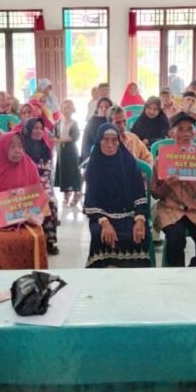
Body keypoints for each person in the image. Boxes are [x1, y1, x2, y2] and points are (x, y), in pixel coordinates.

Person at [152, 112, 196, 267]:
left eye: (189, 129)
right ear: (172, 133)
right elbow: (155, 194)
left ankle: (192, 272)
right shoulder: (163, 158)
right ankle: (177, 276)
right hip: (170, 209)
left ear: (195, 133)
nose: (186, 134)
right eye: (180, 129)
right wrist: (167, 186)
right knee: (175, 239)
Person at [0, 132, 49, 269]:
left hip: (26, 218)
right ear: (4, 148)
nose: (18, 150)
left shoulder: (29, 165)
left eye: (20, 146)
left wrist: (36, 204)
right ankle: (6, 275)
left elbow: (37, 195)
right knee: (4, 240)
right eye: (13, 147)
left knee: (37, 237)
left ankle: (32, 274)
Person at [84, 123, 152, 268]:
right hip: (102, 216)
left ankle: (134, 276)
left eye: (114, 140)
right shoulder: (94, 165)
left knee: (141, 233)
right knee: (98, 234)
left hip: (129, 214)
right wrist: (105, 223)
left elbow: (139, 193)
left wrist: (140, 220)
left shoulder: (129, 163)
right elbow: (90, 201)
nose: (110, 144)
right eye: (106, 140)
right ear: (99, 141)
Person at [23, 118, 60, 255]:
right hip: (23, 186)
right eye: (35, 128)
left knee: (50, 202)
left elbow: (46, 172)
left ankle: (49, 241)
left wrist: (40, 189)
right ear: (28, 130)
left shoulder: (46, 149)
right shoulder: (21, 148)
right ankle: (26, 239)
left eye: (40, 128)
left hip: (42, 184)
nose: (38, 131)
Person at [55, 99, 82, 206]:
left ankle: (76, 193)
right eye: (64, 108)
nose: (66, 110)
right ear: (61, 109)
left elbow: (75, 136)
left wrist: (62, 140)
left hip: (71, 151)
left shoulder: (74, 123)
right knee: (64, 171)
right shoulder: (58, 123)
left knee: (74, 171)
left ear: (72, 109)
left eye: (69, 108)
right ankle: (66, 194)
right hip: (61, 151)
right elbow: (55, 135)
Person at [81, 97, 113, 162]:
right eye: (101, 107)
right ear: (97, 109)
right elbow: (90, 141)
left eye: (107, 107)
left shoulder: (112, 121)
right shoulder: (92, 121)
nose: (104, 109)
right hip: (92, 154)